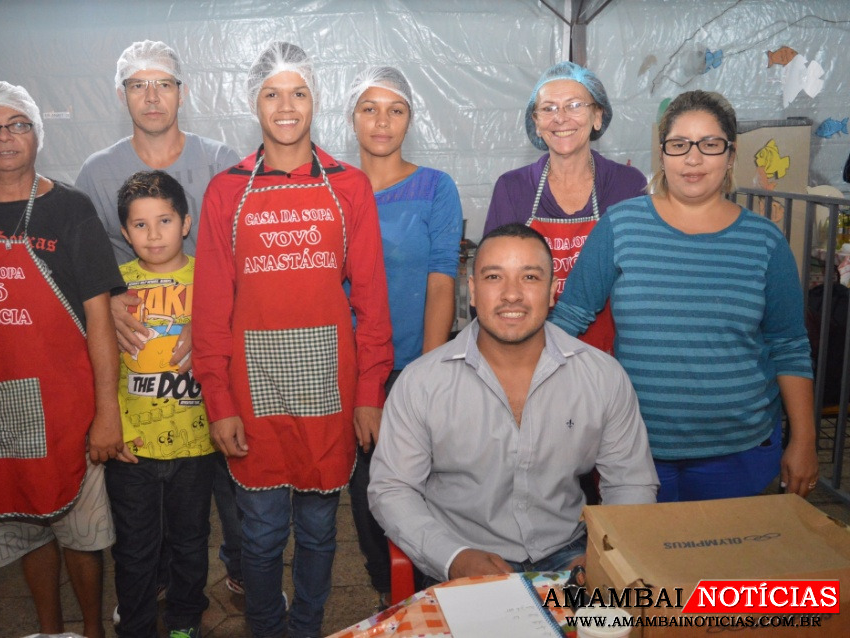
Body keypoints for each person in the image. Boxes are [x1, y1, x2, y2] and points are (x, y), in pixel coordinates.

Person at [191, 42, 393, 638]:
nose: (286, 106)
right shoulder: (226, 191)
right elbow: (210, 311)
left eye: (298, 92)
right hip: (249, 394)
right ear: (254, 102)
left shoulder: (347, 186)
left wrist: (370, 393)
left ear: (315, 100)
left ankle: (306, 628)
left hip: (330, 392)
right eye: (272, 93)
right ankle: (266, 628)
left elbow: (372, 304)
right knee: (257, 533)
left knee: (320, 531)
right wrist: (218, 399)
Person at [550, 90, 819, 502]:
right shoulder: (622, 226)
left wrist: (804, 440)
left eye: (710, 145)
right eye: (679, 145)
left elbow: (789, 345)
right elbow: (569, 320)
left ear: (731, 154)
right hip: (635, 451)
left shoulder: (764, 242)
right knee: (642, 565)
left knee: (722, 566)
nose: (693, 159)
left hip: (741, 453)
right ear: (663, 154)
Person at [0, 80, 126, 638]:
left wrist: (106, 411)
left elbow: (98, 315)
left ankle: (90, 629)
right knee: (20, 527)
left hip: (65, 405)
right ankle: (48, 628)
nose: (4, 137)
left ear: (37, 133)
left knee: (80, 533)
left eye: (16, 124)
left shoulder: (69, 209)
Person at [368, 223, 657, 584]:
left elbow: (632, 483)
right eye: (493, 277)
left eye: (530, 277)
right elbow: (392, 488)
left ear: (553, 292)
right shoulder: (422, 382)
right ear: (472, 291)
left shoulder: (602, 376)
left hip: (572, 554)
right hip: (462, 554)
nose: (511, 295)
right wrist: (453, 557)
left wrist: (601, 553)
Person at [75, 39, 246, 597]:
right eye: (137, 84)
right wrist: (112, 299)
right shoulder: (98, 173)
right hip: (138, 366)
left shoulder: (221, 161)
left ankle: (242, 576)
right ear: (122, 95)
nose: (151, 96)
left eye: (163, 83)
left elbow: (247, 258)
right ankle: (147, 600)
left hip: (215, 356)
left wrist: (211, 317)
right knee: (145, 513)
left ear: (182, 92)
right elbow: (87, 266)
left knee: (231, 492)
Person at [344, 65, 462, 607]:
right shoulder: (335, 189)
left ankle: (437, 584)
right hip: (348, 367)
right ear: (352, 117)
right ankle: (386, 589)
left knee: (427, 481)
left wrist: (428, 374)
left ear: (410, 118)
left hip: (415, 361)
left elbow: (443, 279)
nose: (382, 121)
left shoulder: (435, 187)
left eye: (395, 109)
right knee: (369, 482)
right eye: (369, 108)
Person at [106, 170, 216, 637]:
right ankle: (134, 626)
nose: (154, 235)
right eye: (140, 224)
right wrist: (109, 427)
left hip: (197, 444)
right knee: (134, 548)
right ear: (125, 231)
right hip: (132, 448)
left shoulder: (212, 279)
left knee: (191, 542)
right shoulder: (111, 290)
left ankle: (184, 623)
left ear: (186, 223)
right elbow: (99, 364)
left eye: (165, 220)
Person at [483, 61, 646, 353]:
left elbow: (644, 282)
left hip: (613, 356)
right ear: (535, 122)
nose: (561, 118)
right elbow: (491, 283)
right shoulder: (513, 188)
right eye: (548, 108)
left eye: (574, 105)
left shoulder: (627, 185)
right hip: (529, 352)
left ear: (598, 115)